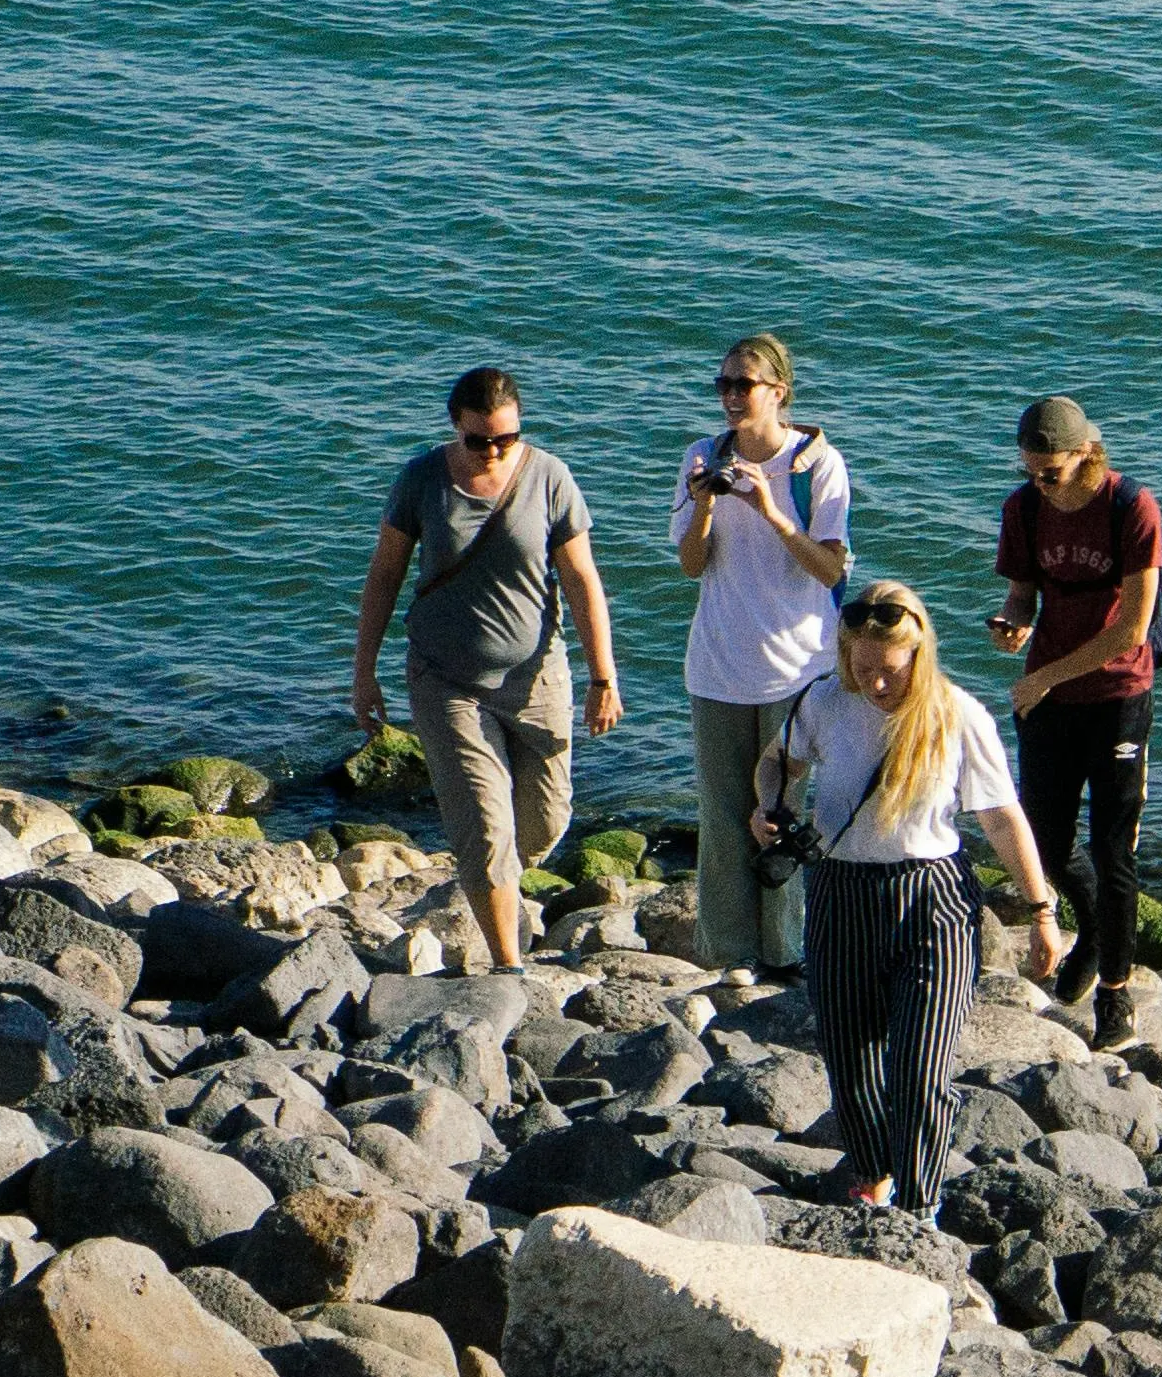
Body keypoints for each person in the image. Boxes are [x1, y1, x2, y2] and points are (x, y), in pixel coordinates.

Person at [758, 577, 1068, 1213]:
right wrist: (767, 806)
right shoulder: (823, 703)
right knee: (851, 1064)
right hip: (841, 890)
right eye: (859, 665)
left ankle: (920, 1207)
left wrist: (1041, 912)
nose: (872, 683)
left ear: (918, 655)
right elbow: (777, 761)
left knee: (921, 1073)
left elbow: (1004, 819)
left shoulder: (959, 716)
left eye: (888, 670)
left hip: (935, 900)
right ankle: (874, 1175)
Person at [348, 366, 623, 974]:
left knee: (546, 818)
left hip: (537, 677)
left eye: (507, 438)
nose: (494, 451)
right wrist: (364, 673)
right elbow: (385, 574)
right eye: (480, 441)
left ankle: (488, 882)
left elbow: (581, 579)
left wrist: (603, 675)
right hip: (446, 681)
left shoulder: (548, 477)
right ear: (455, 428)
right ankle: (508, 966)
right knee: (484, 826)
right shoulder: (421, 479)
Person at [672, 333, 852, 985]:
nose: (729, 396)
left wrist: (774, 514)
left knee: (781, 814)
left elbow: (828, 566)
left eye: (742, 384)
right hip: (718, 666)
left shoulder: (816, 467)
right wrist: (706, 505)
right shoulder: (700, 457)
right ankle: (729, 953)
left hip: (800, 669)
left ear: (778, 392)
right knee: (723, 818)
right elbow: (692, 565)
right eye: (721, 384)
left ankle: (786, 952)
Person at [987, 399, 1162, 1048]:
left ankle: (1114, 996)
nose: (1040, 485)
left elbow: (1132, 627)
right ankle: (1092, 933)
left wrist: (1045, 676)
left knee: (1113, 852)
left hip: (1118, 695)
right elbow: (1023, 592)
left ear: (1086, 455)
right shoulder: (1024, 508)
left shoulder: (1131, 508)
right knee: (1047, 845)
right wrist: (1014, 625)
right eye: (1030, 472)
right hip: (1049, 698)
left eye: (1050, 474)